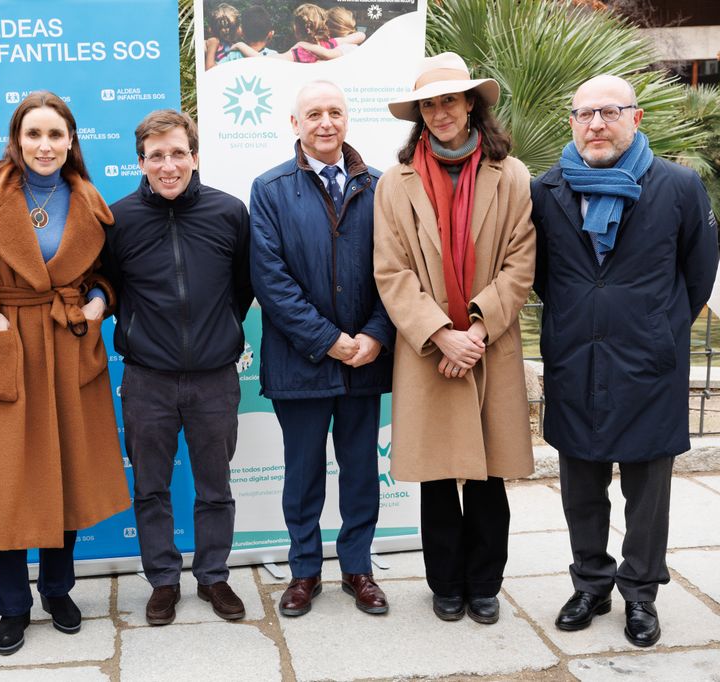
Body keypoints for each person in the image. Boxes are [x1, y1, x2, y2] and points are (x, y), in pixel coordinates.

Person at [0, 91, 131, 655]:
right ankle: (10, 605)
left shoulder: (90, 200)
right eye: (34, 134)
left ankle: (59, 590)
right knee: (8, 482)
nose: (45, 146)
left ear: (72, 142)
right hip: (10, 347)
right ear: (17, 140)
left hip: (69, 348)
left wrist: (98, 301)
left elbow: (109, 275)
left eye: (56, 135)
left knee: (65, 473)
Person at [531, 74, 719, 647]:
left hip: (649, 364)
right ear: (571, 122)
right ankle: (590, 581)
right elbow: (541, 275)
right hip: (576, 361)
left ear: (635, 119)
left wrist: (658, 329)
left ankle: (640, 593)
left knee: (648, 491)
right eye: (585, 114)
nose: (596, 124)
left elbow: (699, 270)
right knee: (580, 485)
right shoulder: (547, 189)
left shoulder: (679, 187)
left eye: (609, 112)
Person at [374, 52, 536, 625]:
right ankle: (445, 583)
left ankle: (485, 583)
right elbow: (391, 272)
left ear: (471, 104)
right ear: (420, 113)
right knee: (440, 475)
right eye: (430, 104)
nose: (440, 112)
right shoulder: (395, 183)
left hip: (488, 344)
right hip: (429, 351)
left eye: (450, 99)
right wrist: (442, 335)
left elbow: (520, 264)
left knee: (490, 476)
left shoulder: (511, 174)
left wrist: (476, 329)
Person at [250, 80, 395, 617]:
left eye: (335, 112)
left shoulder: (383, 187)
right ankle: (304, 570)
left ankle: (359, 569)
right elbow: (271, 280)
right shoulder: (269, 189)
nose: (325, 122)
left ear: (347, 120)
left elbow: (397, 272)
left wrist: (376, 335)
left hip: (365, 362)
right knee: (303, 472)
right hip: (301, 364)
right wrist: (328, 340)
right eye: (314, 113)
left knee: (361, 472)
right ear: (295, 124)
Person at [101, 110, 253, 626]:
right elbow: (112, 287)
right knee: (150, 488)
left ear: (195, 157)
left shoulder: (229, 213)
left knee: (216, 487)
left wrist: (221, 332)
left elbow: (243, 285)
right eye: (157, 156)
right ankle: (163, 581)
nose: (169, 165)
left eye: (178, 153)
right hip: (147, 380)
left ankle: (213, 576)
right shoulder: (118, 220)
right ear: (140, 162)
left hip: (214, 378)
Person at [269, 4, 337, 64]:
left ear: (297, 29)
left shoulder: (298, 53)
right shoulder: (331, 44)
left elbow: (271, 60)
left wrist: (301, 44)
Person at [293, 7, 365, 61]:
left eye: (324, 24)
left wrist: (303, 45)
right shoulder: (344, 44)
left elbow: (327, 54)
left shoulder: (347, 47)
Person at [205, 2, 241, 70]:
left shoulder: (235, 44)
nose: (226, 30)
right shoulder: (214, 43)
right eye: (221, 27)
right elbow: (210, 70)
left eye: (230, 26)